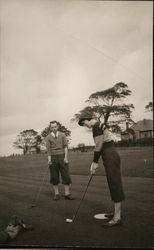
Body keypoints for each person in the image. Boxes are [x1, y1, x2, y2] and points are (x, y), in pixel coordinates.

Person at [78, 114, 125, 227]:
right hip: (110, 153)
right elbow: (101, 144)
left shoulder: (96, 126)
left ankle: (117, 218)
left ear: (87, 120)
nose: (86, 126)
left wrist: (94, 162)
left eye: (84, 124)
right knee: (113, 182)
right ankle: (116, 212)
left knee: (114, 183)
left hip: (109, 154)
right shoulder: (99, 123)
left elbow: (98, 146)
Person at [46, 121, 74, 200]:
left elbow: (65, 147)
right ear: (50, 128)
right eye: (52, 127)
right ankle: (56, 194)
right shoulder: (48, 137)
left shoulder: (62, 135)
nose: (54, 128)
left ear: (57, 127)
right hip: (53, 157)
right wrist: (49, 160)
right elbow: (48, 150)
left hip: (62, 156)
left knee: (66, 175)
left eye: (55, 127)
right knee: (54, 176)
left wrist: (66, 158)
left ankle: (67, 194)